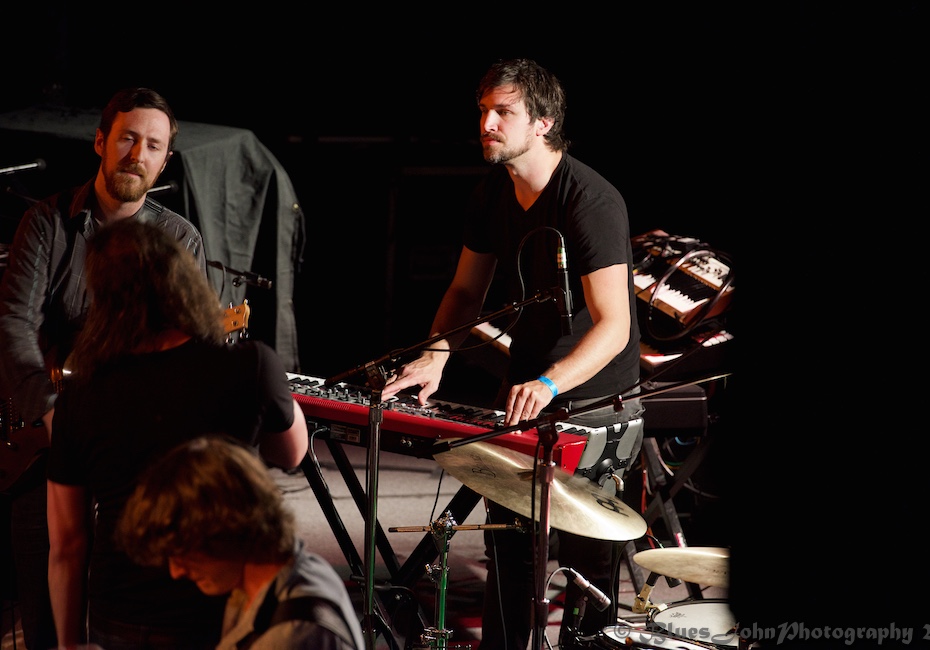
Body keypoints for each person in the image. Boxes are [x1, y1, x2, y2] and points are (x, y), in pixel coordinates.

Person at [380, 58, 645, 650]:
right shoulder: (490, 195)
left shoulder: (590, 200)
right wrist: (437, 355)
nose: (487, 123)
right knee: (510, 557)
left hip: (596, 404)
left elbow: (615, 327)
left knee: (587, 581)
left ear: (543, 122)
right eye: (483, 111)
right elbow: (464, 292)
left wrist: (551, 384)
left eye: (505, 111)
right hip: (530, 396)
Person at [0, 86, 205, 650]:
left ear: (165, 160)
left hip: (129, 456)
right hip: (45, 441)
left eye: (153, 145)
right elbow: (13, 323)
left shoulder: (179, 239)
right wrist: (49, 414)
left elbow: (192, 350)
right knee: (43, 616)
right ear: (101, 141)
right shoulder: (45, 223)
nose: (137, 154)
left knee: (130, 617)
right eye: (128, 139)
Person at [45, 219, 310, 649]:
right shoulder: (250, 365)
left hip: (121, 615)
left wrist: (69, 645)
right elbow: (292, 453)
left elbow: (67, 544)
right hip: (226, 608)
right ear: (183, 280)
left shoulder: (81, 395)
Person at [115, 435, 364, 650]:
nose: (176, 572)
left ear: (228, 530)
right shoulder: (275, 577)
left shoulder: (288, 636)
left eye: (183, 554)